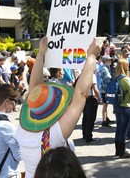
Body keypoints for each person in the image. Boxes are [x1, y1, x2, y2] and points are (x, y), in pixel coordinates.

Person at [15, 37, 100, 178]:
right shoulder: (54, 134)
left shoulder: (23, 129)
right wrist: (91, 56)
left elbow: (34, 90)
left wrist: (41, 54)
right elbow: (81, 94)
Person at [0, 84, 22, 177]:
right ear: (7, 101)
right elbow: (19, 155)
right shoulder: (6, 126)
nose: (15, 105)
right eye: (15, 101)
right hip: (7, 174)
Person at [114, 59, 130, 158]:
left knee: (119, 128)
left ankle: (117, 150)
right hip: (125, 106)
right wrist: (129, 101)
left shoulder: (116, 78)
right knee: (124, 130)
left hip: (117, 105)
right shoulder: (125, 79)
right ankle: (122, 151)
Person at [82, 73, 100, 144]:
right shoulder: (91, 75)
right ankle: (88, 137)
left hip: (84, 98)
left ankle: (85, 134)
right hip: (91, 98)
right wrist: (98, 98)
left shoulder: (82, 74)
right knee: (91, 118)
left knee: (85, 117)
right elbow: (95, 88)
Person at [98, 55, 113, 127]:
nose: (110, 62)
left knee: (106, 104)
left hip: (104, 88)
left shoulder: (104, 67)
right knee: (105, 104)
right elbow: (108, 78)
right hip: (105, 89)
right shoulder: (104, 68)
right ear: (106, 61)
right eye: (109, 60)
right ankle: (104, 120)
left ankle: (106, 117)